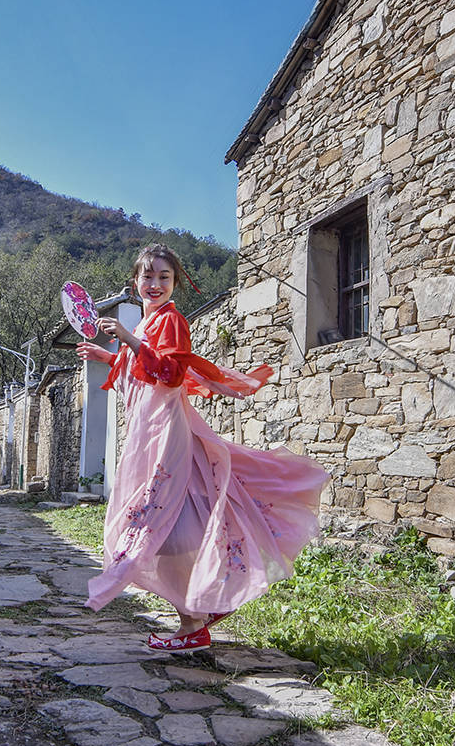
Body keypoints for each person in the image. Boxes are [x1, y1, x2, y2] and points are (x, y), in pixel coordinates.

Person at [77, 244, 328, 653]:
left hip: (164, 431)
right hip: (148, 430)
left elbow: (170, 372)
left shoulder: (171, 319)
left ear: (175, 283)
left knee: (166, 521)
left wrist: (125, 338)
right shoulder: (146, 324)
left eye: (163, 277)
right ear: (135, 281)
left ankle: (194, 620)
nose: (154, 284)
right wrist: (109, 354)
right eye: (147, 277)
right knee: (177, 518)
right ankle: (201, 608)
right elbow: (136, 371)